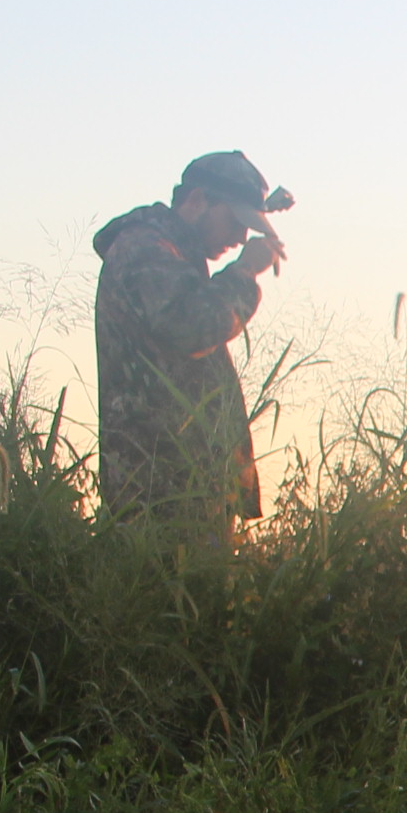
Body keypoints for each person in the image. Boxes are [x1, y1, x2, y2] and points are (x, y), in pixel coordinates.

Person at [93, 150, 290, 540]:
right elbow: (191, 327)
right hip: (161, 494)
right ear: (197, 200)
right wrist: (244, 273)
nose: (240, 237)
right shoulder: (145, 249)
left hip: (184, 488)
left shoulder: (172, 255)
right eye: (234, 220)